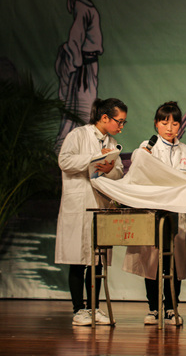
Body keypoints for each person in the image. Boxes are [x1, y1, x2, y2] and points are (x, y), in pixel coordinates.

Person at [123, 101, 186, 326]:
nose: (169, 128)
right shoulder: (147, 147)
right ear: (156, 124)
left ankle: (172, 308)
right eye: (164, 123)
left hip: (177, 213)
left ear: (180, 126)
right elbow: (137, 172)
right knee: (152, 261)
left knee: (174, 262)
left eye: (174, 124)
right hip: (153, 212)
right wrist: (142, 156)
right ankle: (154, 308)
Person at [55, 97, 127, 326]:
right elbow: (64, 161)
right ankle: (79, 310)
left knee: (97, 260)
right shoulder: (78, 135)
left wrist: (109, 168)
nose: (121, 126)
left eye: (123, 122)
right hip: (78, 204)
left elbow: (119, 173)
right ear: (104, 117)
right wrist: (94, 158)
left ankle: (94, 308)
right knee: (78, 259)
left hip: (100, 206)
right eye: (119, 121)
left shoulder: (112, 143)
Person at [55, 0, 105, 153]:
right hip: (83, 66)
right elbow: (75, 38)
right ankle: (67, 149)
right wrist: (76, 65)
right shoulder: (82, 6)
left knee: (86, 108)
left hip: (88, 64)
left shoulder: (85, 4)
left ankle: (80, 150)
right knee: (82, 110)